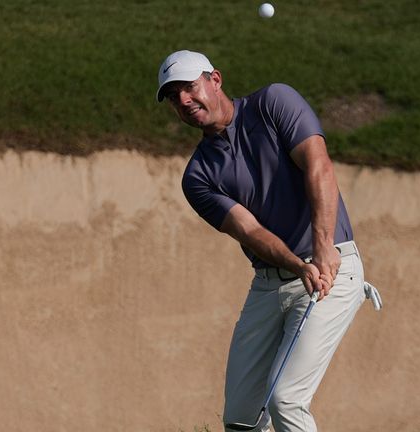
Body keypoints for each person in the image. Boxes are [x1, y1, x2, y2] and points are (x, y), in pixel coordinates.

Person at [156, 50, 368, 432]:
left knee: (286, 399)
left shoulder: (274, 103)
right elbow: (250, 231)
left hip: (330, 271)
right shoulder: (198, 177)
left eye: (189, 87)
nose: (184, 101)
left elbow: (319, 165)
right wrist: (298, 264)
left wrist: (322, 249)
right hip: (273, 283)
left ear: (214, 79)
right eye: (174, 97)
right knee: (240, 419)